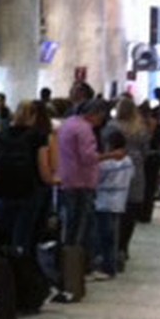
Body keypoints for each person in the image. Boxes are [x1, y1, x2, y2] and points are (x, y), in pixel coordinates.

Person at [57, 99, 121, 267]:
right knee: (81, 226)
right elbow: (88, 157)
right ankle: (77, 263)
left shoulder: (68, 124)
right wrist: (111, 155)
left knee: (69, 223)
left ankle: (66, 261)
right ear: (95, 114)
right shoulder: (85, 130)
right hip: (81, 181)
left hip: (67, 177)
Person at [0, 102, 51, 250]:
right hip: (27, 191)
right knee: (22, 237)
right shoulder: (38, 137)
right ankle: (20, 267)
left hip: (3, 191)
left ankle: (4, 267)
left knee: (4, 235)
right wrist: (52, 180)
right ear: (33, 117)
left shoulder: (2, 134)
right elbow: (43, 168)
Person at [102, 98, 149, 267]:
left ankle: (111, 249)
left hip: (114, 166)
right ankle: (123, 247)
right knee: (130, 210)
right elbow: (146, 151)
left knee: (114, 212)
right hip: (135, 168)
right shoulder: (141, 128)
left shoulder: (111, 127)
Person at [93, 131, 134, 282]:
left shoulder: (106, 163)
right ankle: (114, 263)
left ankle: (106, 266)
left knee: (104, 236)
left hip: (103, 201)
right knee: (113, 235)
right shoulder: (128, 161)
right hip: (120, 201)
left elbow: (96, 179)